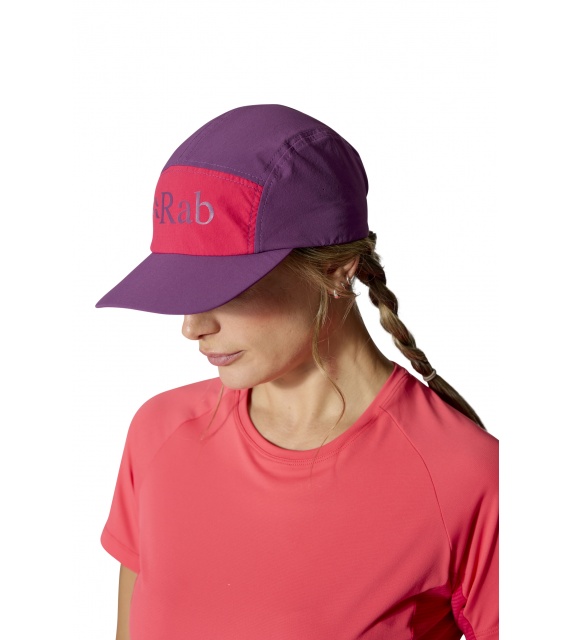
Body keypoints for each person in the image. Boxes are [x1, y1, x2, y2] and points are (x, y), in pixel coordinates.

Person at [96, 104, 498, 640]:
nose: (192, 327)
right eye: (183, 286)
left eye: (226, 289)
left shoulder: (465, 477)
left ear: (335, 267)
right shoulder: (159, 433)